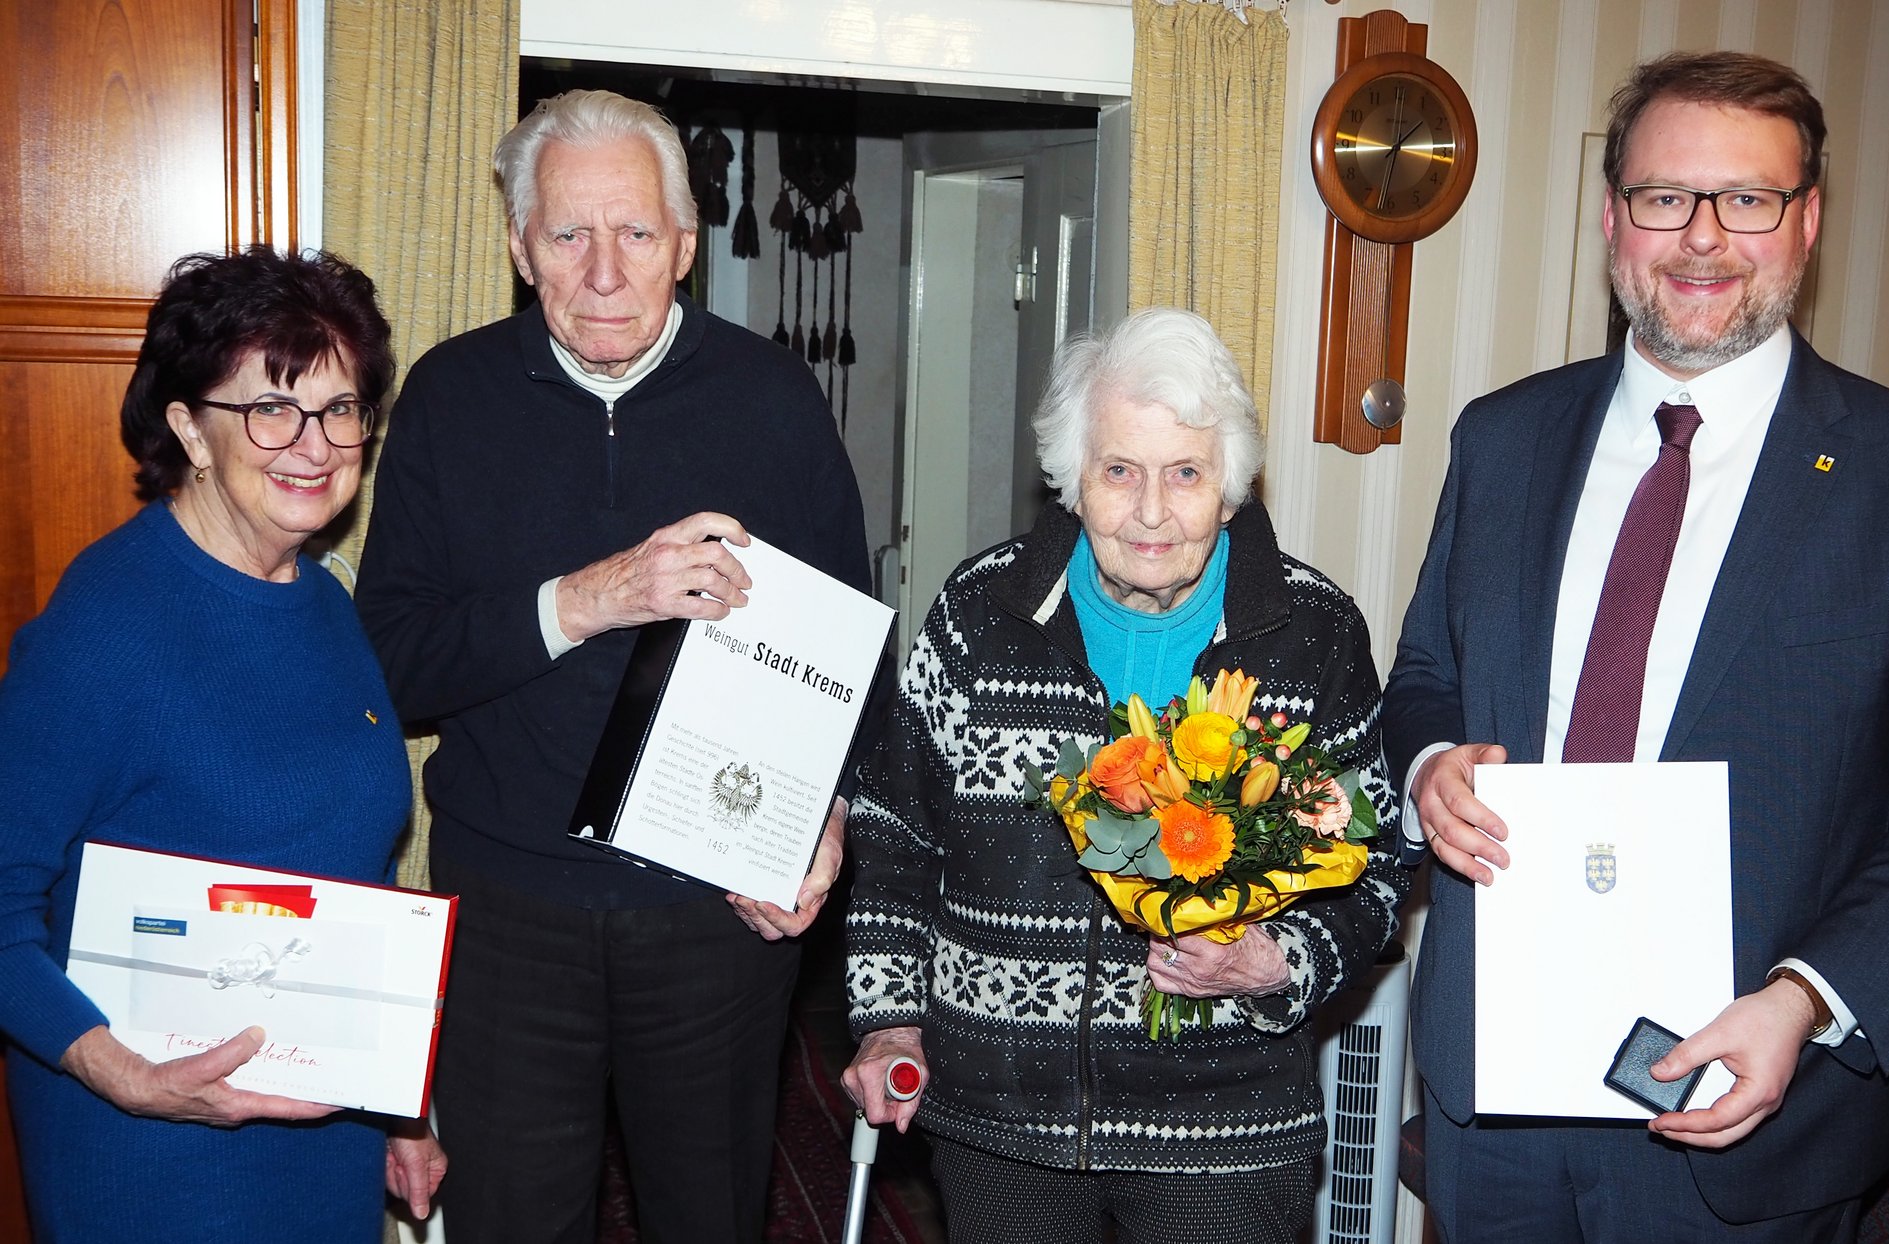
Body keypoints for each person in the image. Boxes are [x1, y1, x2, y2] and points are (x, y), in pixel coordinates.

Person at [1384, 50, 1889, 1242]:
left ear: (1805, 220)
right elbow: (1424, 678)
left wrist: (1805, 1000)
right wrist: (1425, 770)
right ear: (1614, 218)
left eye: (1747, 200)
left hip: (1758, 1113)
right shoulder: (1500, 439)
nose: (1702, 239)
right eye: (1665, 197)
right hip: (1490, 1107)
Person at [353, 89, 869, 1243]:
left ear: (684, 245)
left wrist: (823, 825)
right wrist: (591, 598)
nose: (602, 271)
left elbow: (853, 669)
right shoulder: (448, 395)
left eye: (636, 233)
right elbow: (390, 663)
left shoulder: (773, 401)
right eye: (566, 235)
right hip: (507, 913)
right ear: (517, 245)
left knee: (709, 1216)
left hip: (713, 918)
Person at [842, 308, 1411, 1244]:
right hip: (1002, 1119)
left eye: (1185, 473)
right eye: (1120, 471)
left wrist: (1280, 961)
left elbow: (1378, 861)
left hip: (1223, 1126)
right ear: (1073, 482)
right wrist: (889, 1021)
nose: (1152, 511)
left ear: (1229, 485)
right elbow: (897, 837)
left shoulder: (1312, 635)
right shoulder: (979, 615)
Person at [0, 246, 445, 1240]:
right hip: (154, 1155)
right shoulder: (102, 627)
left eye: (340, 409)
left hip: (319, 1141)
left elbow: (348, 870)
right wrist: (126, 1073)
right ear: (191, 428)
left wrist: (399, 1106)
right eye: (271, 408)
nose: (314, 444)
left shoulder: (326, 603)